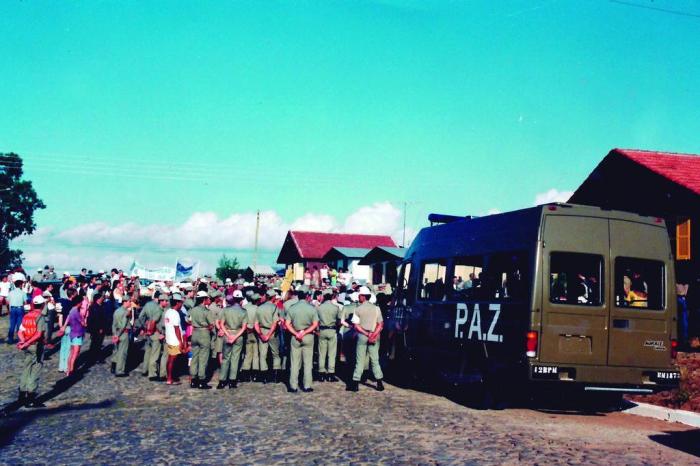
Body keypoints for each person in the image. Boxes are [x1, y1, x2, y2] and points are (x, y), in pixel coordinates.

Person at [348, 286, 384, 392]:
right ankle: (379, 383)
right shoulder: (376, 309)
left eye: (359, 295)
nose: (358, 297)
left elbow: (356, 326)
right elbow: (380, 325)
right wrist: (373, 335)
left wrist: (366, 334)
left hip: (362, 336)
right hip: (374, 335)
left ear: (363, 297)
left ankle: (355, 383)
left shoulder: (358, 309)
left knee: (359, 360)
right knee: (375, 360)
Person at [16, 294, 48, 407]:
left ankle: (21, 395)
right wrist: (28, 342)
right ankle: (30, 398)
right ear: (43, 305)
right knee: (35, 371)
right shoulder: (40, 317)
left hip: (27, 347)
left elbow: (20, 332)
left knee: (26, 369)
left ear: (34, 304)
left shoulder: (27, 316)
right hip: (36, 346)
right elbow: (39, 334)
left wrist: (23, 342)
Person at [285, 289, 318, 393]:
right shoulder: (312, 308)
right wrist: (305, 332)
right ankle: (307, 385)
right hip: (308, 336)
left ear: (298, 297)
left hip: (295, 336)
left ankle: (293, 386)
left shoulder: (292, 308)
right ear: (307, 296)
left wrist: (296, 333)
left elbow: (287, 324)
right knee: (308, 362)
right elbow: (315, 324)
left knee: (294, 362)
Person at [218, 290, 247, 389]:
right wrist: (235, 336)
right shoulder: (243, 311)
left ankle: (222, 381)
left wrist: (228, 335)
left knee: (226, 358)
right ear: (241, 300)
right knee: (235, 358)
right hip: (238, 335)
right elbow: (244, 327)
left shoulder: (226, 310)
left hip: (228, 333)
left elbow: (221, 324)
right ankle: (232, 381)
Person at [137, 291, 166, 380]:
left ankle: (145, 370)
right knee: (155, 354)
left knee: (148, 351)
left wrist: (144, 327)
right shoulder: (159, 308)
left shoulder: (147, 305)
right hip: (156, 331)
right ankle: (152, 373)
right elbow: (155, 321)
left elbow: (141, 316)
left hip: (149, 330)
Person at [255, 290, 281, 383]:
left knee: (262, 355)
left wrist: (261, 334)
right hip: (272, 332)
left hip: (262, 330)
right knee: (275, 354)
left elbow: (256, 324)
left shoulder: (259, 307)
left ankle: (264, 377)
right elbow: (275, 323)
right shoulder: (274, 307)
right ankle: (275, 376)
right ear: (273, 297)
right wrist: (269, 334)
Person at [189, 291, 214, 389]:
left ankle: (193, 379)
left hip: (195, 332)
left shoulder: (193, 310)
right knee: (203, 358)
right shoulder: (206, 311)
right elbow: (212, 324)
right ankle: (201, 380)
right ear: (204, 300)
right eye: (207, 298)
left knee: (194, 357)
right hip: (204, 333)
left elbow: (189, 320)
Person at [316, 291, 342, 382]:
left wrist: (317, 330)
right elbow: (339, 321)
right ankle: (331, 373)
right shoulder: (336, 307)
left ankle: (321, 373)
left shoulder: (319, 308)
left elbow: (316, 321)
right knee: (332, 353)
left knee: (322, 353)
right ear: (331, 297)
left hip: (322, 330)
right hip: (332, 330)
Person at [163, 292, 187, 385]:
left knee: (170, 359)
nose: (181, 304)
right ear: (177, 303)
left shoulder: (168, 312)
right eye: (181, 302)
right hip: (175, 340)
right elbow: (177, 329)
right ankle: (169, 378)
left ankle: (170, 377)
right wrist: (180, 342)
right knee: (172, 360)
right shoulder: (175, 313)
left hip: (169, 338)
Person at [63, 294, 87, 377]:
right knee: (75, 353)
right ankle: (71, 371)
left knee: (72, 352)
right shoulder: (76, 311)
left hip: (73, 333)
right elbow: (83, 323)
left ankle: (68, 369)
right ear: (79, 302)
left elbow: (68, 318)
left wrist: (64, 326)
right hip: (77, 333)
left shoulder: (72, 310)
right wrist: (85, 318)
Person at [111, 297, 135, 377]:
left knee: (117, 351)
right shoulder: (126, 312)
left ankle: (114, 367)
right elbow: (123, 325)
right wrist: (118, 335)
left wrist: (114, 334)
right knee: (122, 353)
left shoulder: (117, 311)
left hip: (116, 332)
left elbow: (114, 324)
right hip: (123, 334)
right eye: (129, 301)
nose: (130, 303)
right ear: (125, 302)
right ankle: (120, 370)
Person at [241, 293, 260, 382]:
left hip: (246, 331)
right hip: (256, 332)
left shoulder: (244, 307)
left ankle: (246, 374)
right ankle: (255, 375)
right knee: (256, 354)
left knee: (247, 353)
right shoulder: (258, 308)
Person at [87, 292, 109, 364]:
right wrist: (99, 328)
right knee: (96, 343)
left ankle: (94, 357)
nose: (103, 298)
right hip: (97, 328)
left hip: (99, 328)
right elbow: (96, 319)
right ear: (98, 299)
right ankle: (95, 358)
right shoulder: (95, 307)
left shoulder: (100, 306)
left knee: (97, 343)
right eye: (101, 298)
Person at [7, 277, 27, 344]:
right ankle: (20, 339)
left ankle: (10, 339)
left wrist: (8, 310)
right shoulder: (23, 293)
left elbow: (7, 302)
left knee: (12, 325)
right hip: (20, 309)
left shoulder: (11, 292)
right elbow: (25, 302)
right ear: (20, 285)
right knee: (19, 325)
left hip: (12, 309)